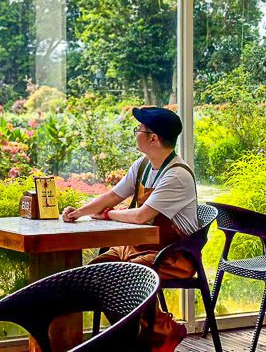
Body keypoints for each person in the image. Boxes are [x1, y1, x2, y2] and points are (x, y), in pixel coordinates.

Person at [60, 106, 197, 351]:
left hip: (173, 255)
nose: (135, 133)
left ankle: (164, 330)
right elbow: (114, 195)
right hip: (135, 247)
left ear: (153, 137)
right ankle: (135, 337)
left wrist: (108, 215)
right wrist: (79, 212)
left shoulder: (176, 175)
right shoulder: (143, 165)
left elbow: (142, 216)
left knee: (124, 278)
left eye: (138, 129)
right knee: (95, 274)